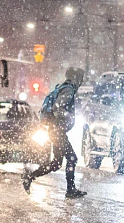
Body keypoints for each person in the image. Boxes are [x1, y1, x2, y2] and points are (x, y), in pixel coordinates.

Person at [22, 68, 87, 198]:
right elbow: (58, 107)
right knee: (72, 158)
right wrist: (67, 116)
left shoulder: (63, 87)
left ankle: (29, 176)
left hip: (55, 130)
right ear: (76, 78)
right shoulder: (68, 90)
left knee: (57, 163)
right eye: (81, 78)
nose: (82, 81)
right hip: (57, 131)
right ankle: (70, 190)